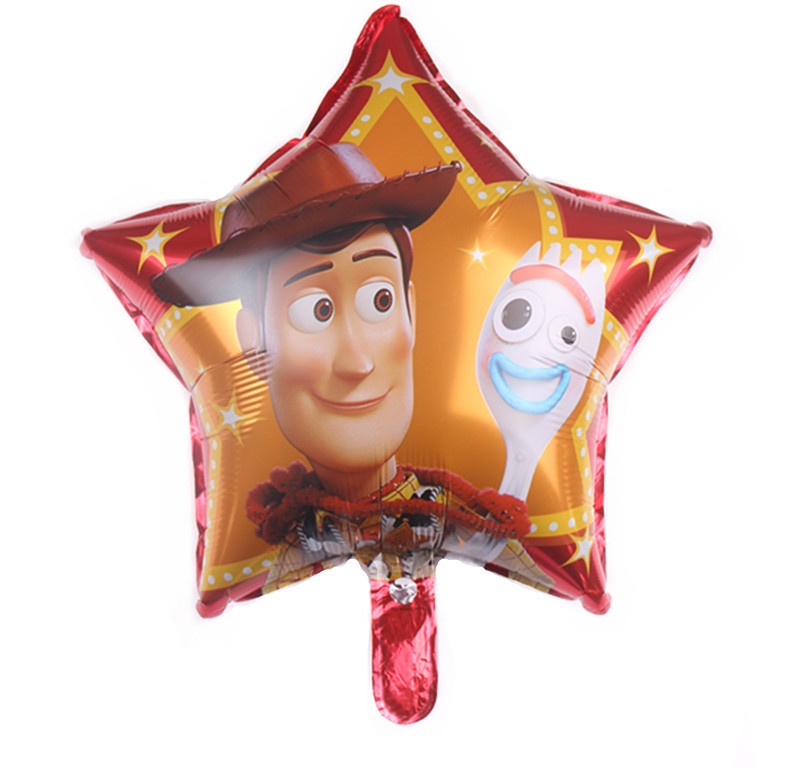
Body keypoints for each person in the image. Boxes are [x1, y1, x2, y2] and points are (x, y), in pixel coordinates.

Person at [152, 140, 552, 598]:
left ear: (410, 312)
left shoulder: (468, 523)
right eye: (316, 311)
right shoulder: (277, 539)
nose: (358, 362)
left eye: (380, 301)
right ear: (254, 341)